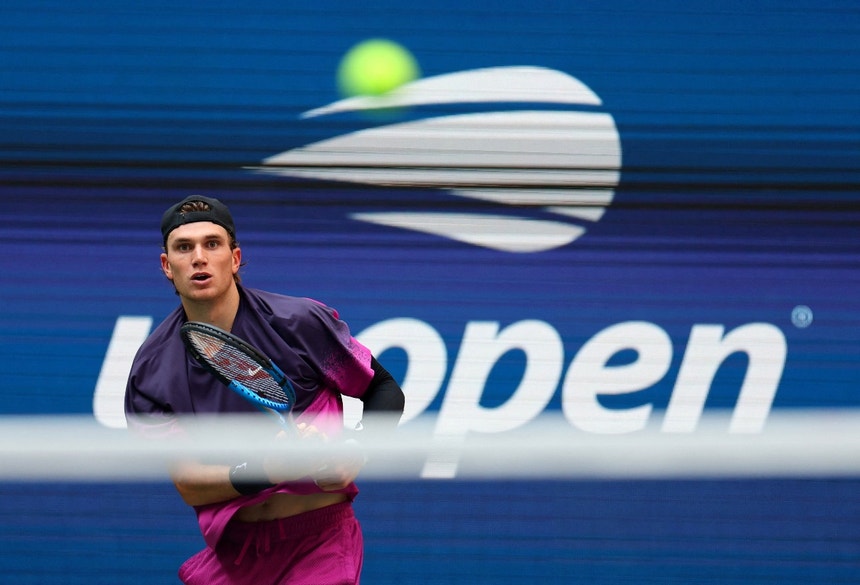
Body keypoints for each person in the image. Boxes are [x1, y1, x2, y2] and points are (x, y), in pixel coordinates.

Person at [124, 194, 405, 585]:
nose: (199, 258)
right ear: (167, 266)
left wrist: (355, 451)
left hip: (320, 541)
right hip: (237, 555)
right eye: (184, 248)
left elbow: (384, 389)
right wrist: (266, 470)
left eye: (212, 244)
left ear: (235, 258)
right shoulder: (152, 369)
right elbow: (191, 485)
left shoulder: (298, 324)